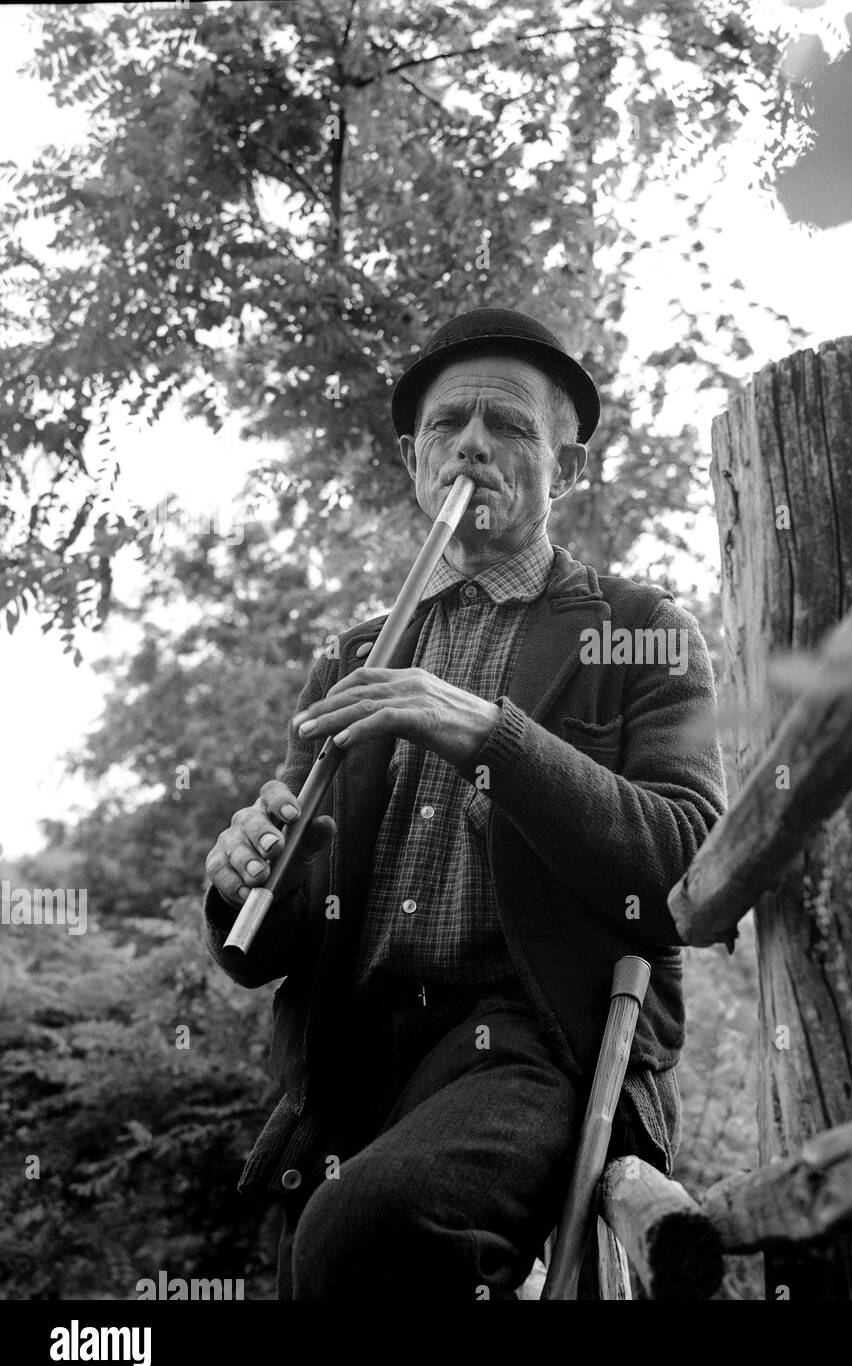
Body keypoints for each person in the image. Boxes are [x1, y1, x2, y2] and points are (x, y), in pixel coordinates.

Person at [201, 308, 727, 1299]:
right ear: (414, 456)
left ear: (562, 467)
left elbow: (687, 874)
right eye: (450, 426)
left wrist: (496, 735)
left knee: (368, 1232)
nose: (475, 444)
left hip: (533, 1044)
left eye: (511, 426)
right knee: (321, 1252)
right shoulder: (357, 655)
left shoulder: (644, 630)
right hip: (359, 1057)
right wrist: (242, 880)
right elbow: (277, 943)